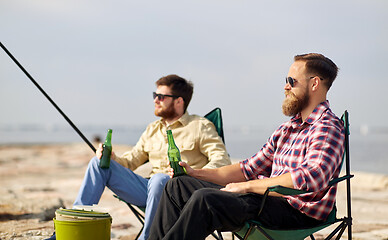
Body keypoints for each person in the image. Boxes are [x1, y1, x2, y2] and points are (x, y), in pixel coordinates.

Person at [148, 53, 345, 240]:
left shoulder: (326, 126)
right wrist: (195, 173)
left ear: (314, 83)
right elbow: (248, 168)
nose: (285, 87)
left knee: (205, 199)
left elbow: (312, 177)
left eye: (292, 81)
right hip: (265, 201)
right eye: (285, 80)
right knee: (177, 186)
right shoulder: (287, 129)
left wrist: (247, 186)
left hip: (296, 211)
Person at [45, 74, 231, 240]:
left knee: (160, 179)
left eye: (161, 96)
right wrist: (111, 157)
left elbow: (221, 160)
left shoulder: (200, 126)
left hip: (180, 192)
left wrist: (192, 173)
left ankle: (148, 237)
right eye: (154, 96)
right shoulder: (152, 129)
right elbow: (130, 161)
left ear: (179, 101)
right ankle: (70, 228)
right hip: (149, 189)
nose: (155, 100)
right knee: (99, 164)